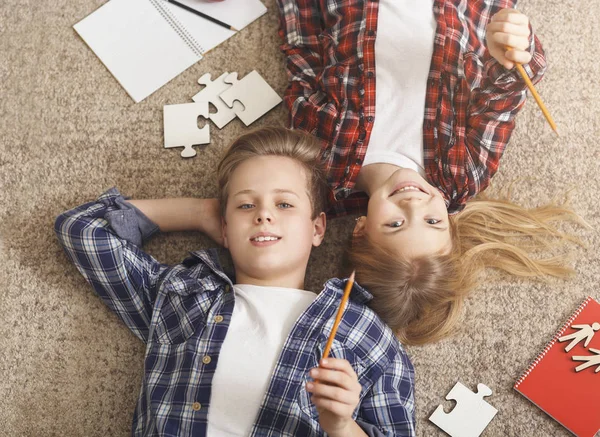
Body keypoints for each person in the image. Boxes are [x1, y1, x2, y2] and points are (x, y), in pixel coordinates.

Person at [54, 127, 416, 437]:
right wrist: (197, 212)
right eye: (245, 206)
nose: (264, 214)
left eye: (285, 205)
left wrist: (340, 426)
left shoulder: (365, 331)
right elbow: (83, 230)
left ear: (317, 228)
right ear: (224, 228)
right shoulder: (182, 295)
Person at [274, 0, 586, 345]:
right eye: (433, 221)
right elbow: (503, 100)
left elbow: (304, 64)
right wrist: (513, 53)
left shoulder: (322, 165)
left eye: (395, 224)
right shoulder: (462, 176)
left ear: (360, 231)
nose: (413, 204)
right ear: (450, 223)